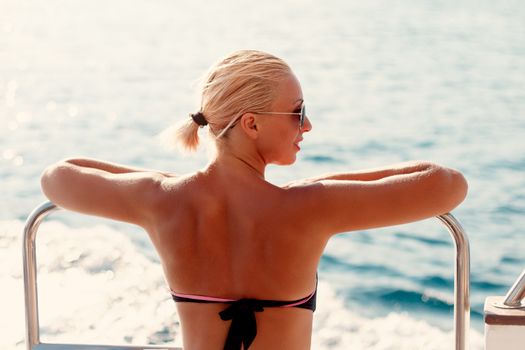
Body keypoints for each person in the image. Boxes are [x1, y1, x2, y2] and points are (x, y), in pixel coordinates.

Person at [40, 49, 468, 350]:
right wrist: (323, 186)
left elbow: (59, 176)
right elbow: (446, 183)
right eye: (298, 112)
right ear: (251, 124)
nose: (308, 125)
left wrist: (167, 182)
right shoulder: (311, 206)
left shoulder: (160, 199)